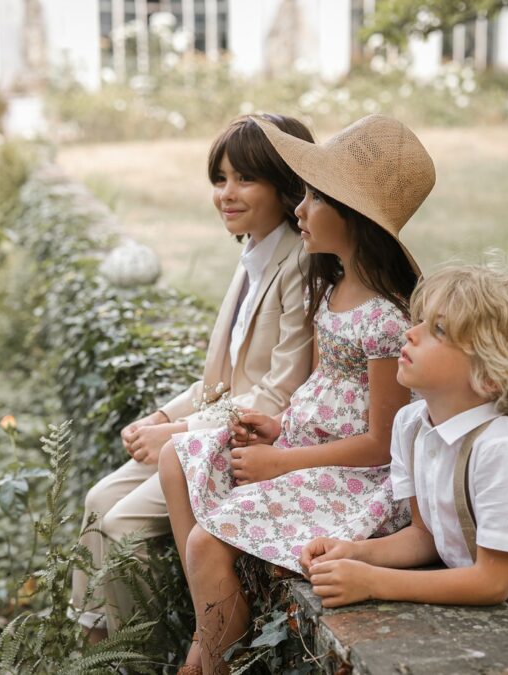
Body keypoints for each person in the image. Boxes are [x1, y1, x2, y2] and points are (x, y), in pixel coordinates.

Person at [158, 114, 436, 674]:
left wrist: (282, 460)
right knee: (177, 459)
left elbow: (382, 444)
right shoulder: (331, 289)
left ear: (352, 215)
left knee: (207, 543)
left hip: (352, 480)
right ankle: (207, 627)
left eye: (313, 199)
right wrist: (277, 429)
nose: (300, 210)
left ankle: (212, 660)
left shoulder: (382, 319)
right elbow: (324, 395)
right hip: (302, 448)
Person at [70, 114, 316, 644]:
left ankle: (142, 650)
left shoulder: (300, 263)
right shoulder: (252, 252)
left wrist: (177, 435)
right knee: (96, 503)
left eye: (245, 179)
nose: (226, 194)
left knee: (123, 528)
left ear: (287, 185)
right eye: (220, 178)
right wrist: (162, 416)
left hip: (250, 443)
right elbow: (220, 378)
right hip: (204, 432)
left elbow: (279, 392)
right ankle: (93, 644)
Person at [300, 263, 508, 675]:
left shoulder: (500, 449)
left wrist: (373, 582)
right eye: (419, 320)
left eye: (439, 331)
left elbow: (491, 581)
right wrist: (356, 551)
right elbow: (425, 535)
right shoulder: (412, 425)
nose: (410, 333)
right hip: (485, 617)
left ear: (488, 375)